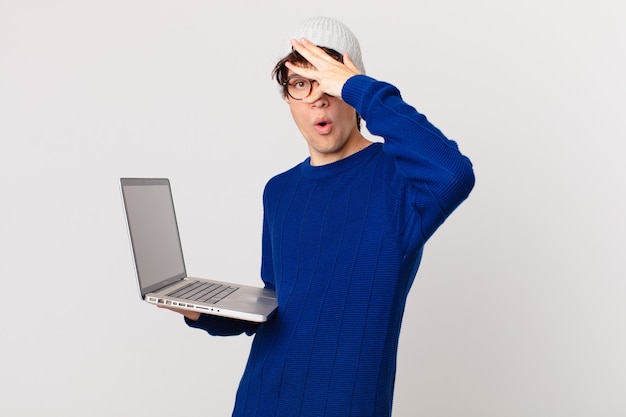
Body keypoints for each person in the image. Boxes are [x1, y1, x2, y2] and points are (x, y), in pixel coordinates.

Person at [165, 16, 475, 417]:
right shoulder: (278, 191)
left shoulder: (401, 182)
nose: (317, 98)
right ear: (288, 97)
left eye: (327, 81)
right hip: (258, 403)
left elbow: (454, 172)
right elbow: (280, 306)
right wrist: (204, 311)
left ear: (353, 89)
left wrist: (355, 85)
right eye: (300, 83)